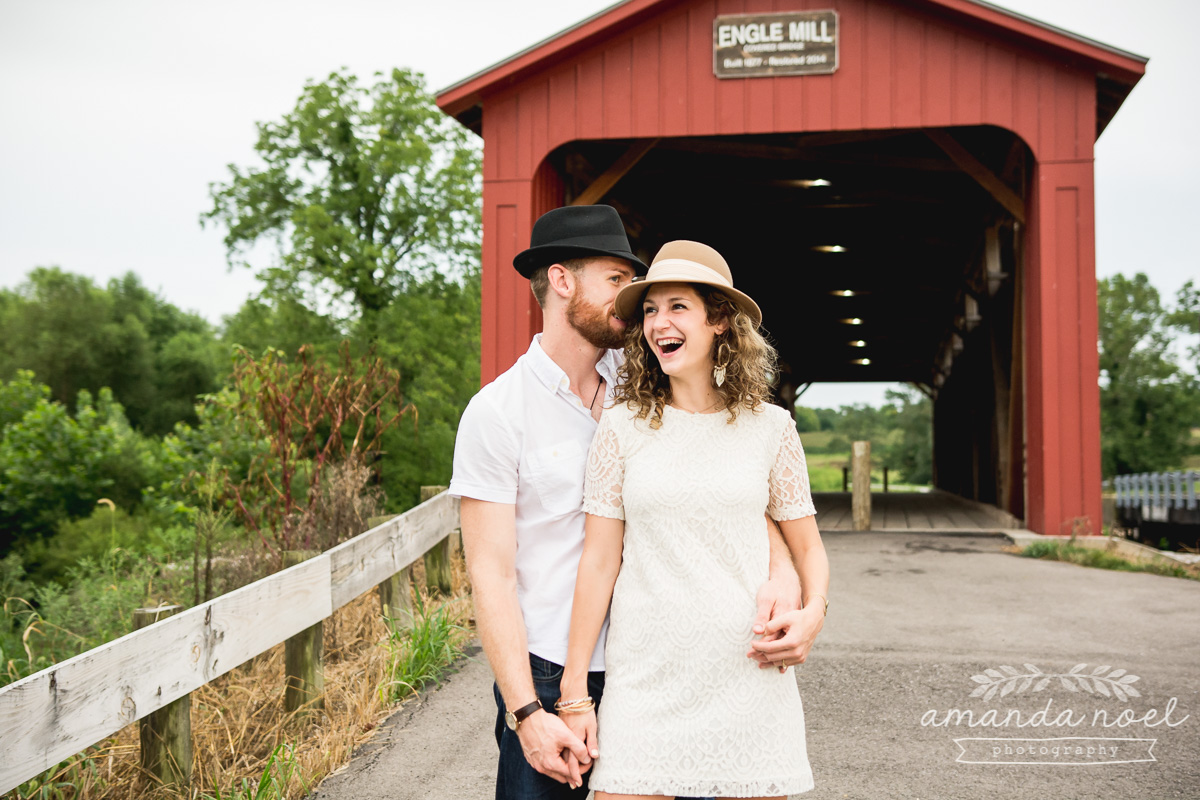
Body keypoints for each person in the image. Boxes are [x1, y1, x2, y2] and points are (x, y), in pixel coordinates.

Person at [450, 207, 814, 800]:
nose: (636, 305)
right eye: (619, 282)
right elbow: (489, 575)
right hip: (549, 668)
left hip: (656, 659)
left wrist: (782, 568)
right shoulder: (497, 414)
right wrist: (526, 712)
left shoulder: (644, 380)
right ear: (563, 282)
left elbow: (725, 480)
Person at [559, 240, 830, 799]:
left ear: (720, 321)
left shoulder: (771, 428)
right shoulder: (621, 427)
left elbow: (807, 548)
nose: (660, 322)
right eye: (651, 310)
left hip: (748, 675)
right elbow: (599, 560)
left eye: (677, 306)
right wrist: (574, 689)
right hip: (646, 683)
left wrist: (813, 612)